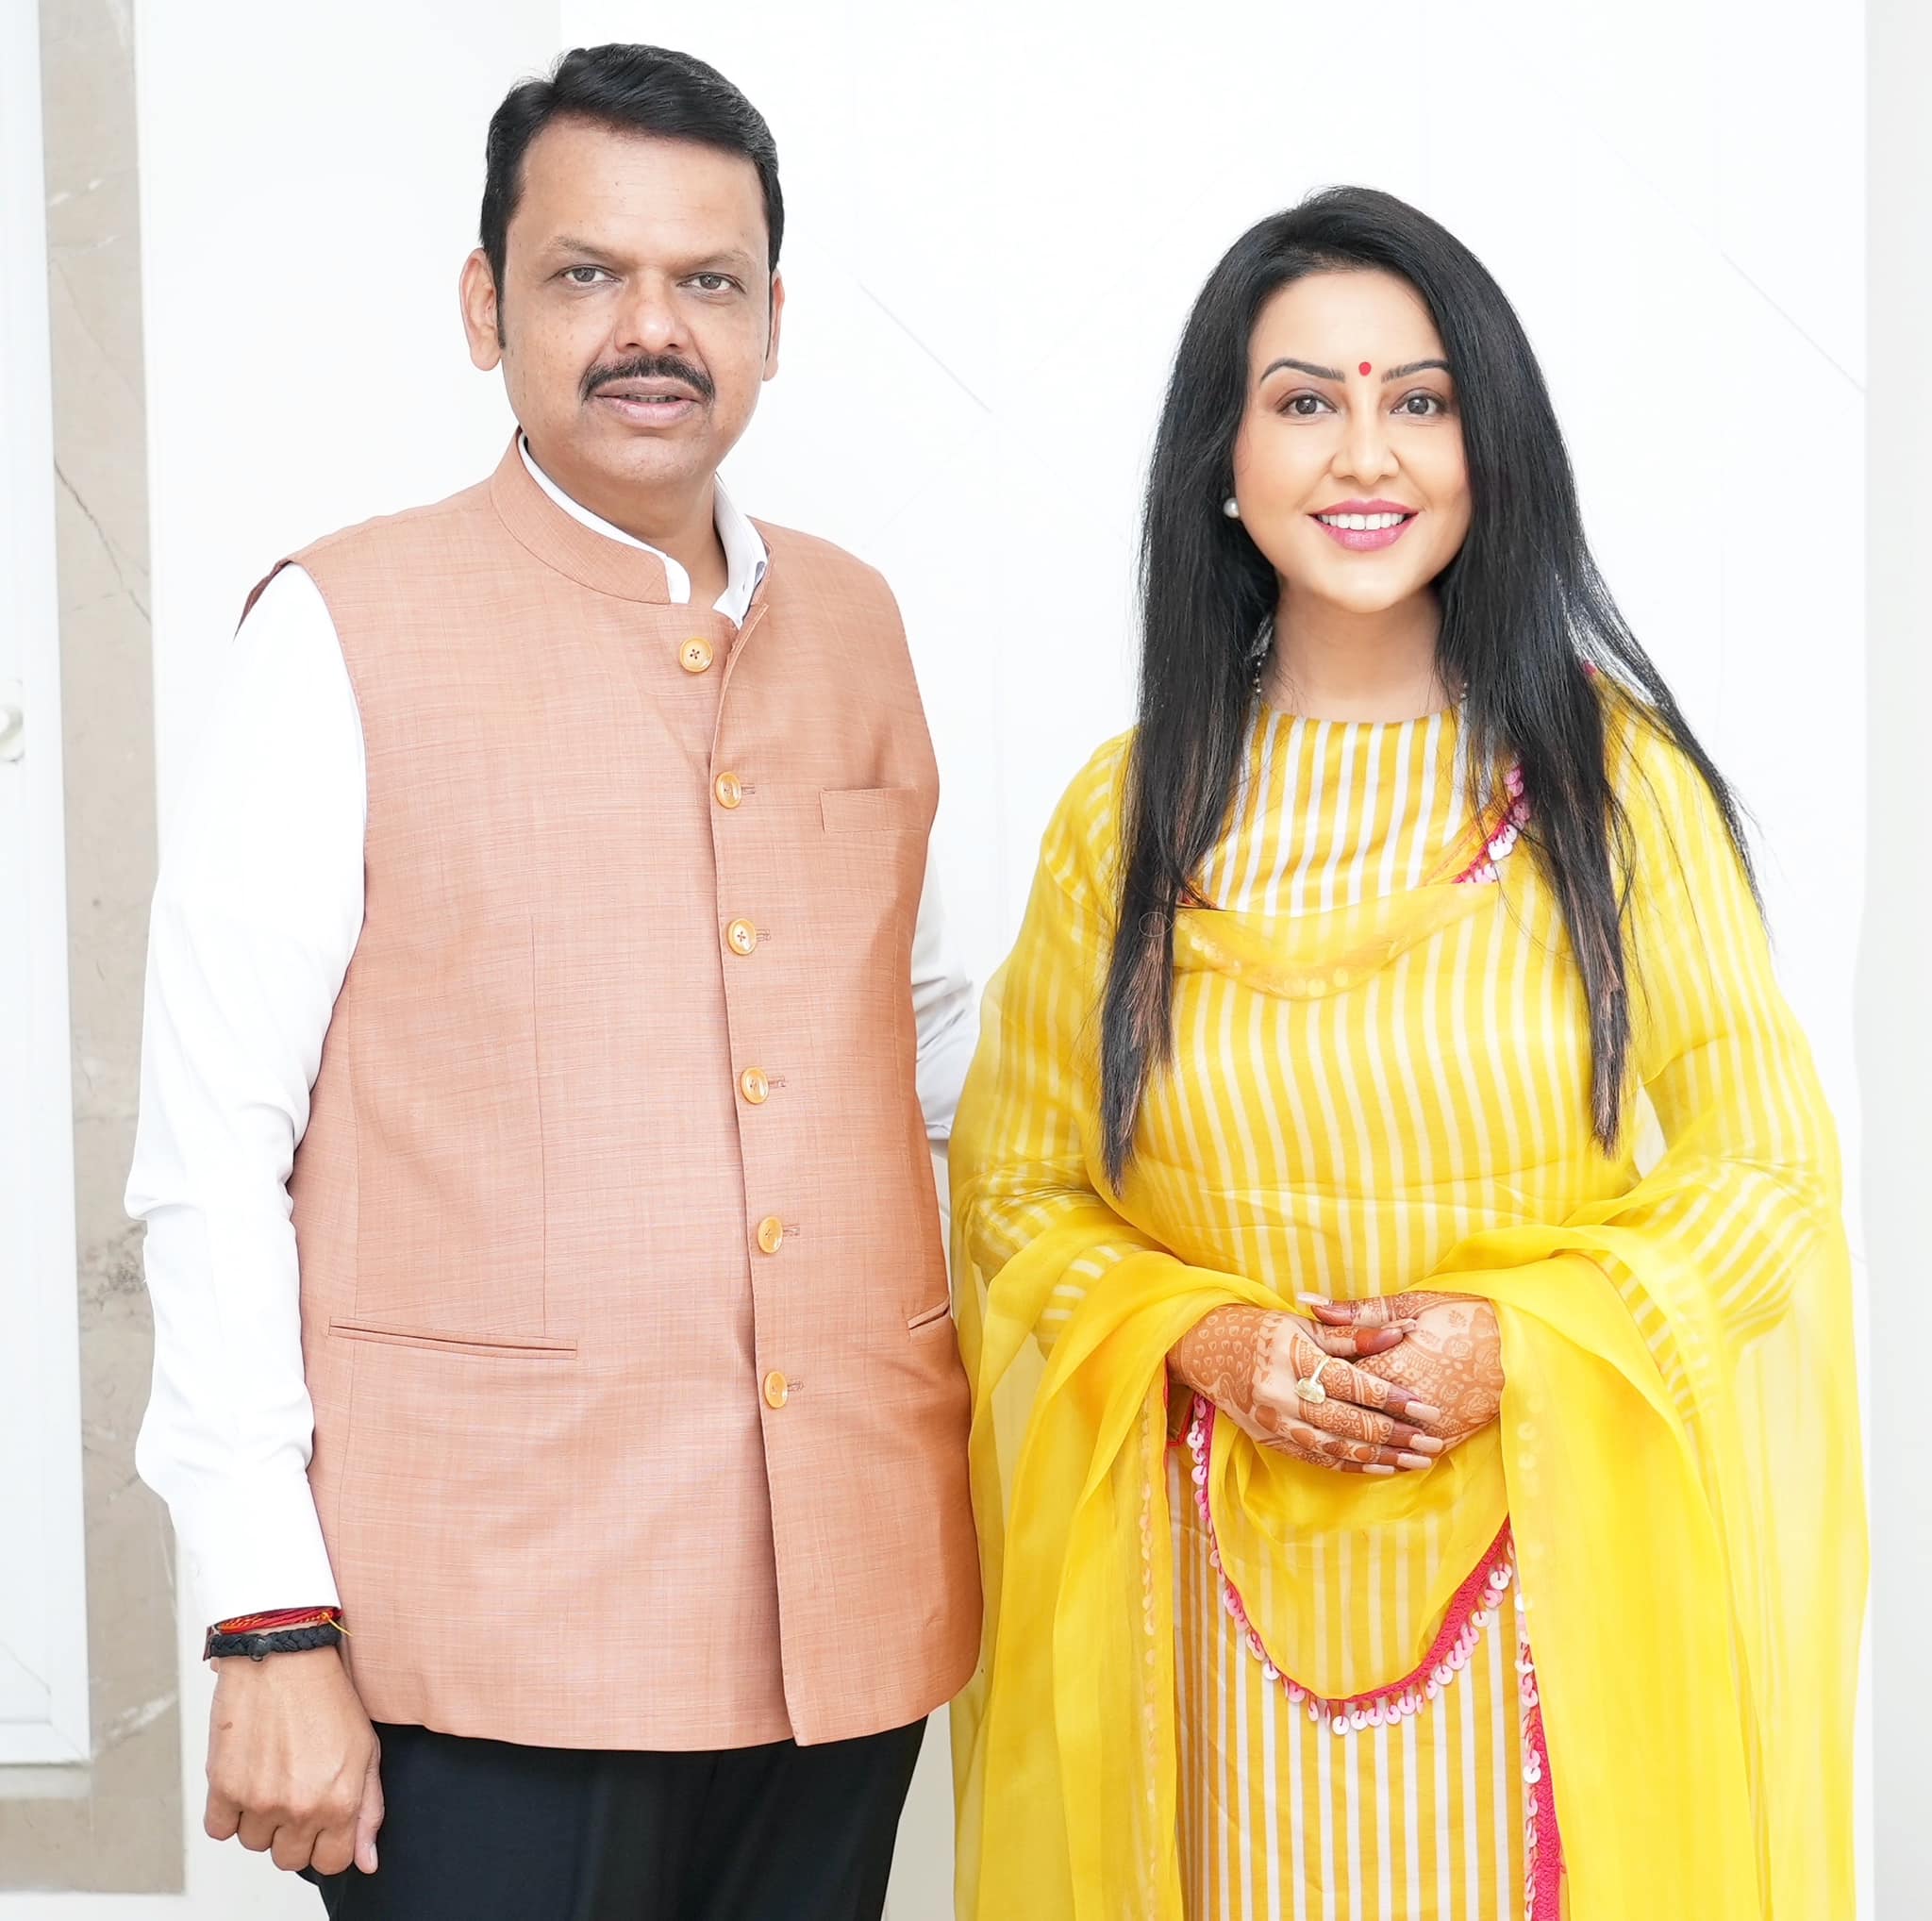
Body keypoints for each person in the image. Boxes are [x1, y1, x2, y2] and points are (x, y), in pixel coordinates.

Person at [125, 43, 980, 1921]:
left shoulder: (856, 621)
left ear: (772, 318)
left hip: (842, 1602)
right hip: (483, 1624)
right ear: (482, 304)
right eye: (587, 275)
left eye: (707, 281)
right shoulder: (341, 628)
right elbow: (209, 1150)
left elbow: (927, 1060)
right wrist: (266, 1618)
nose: (649, 331)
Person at [947, 186, 1863, 1920]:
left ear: (1487, 449)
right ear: (1222, 455)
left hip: (1553, 1603)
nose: (1364, 452)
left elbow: (1769, 1168)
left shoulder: (1611, 791)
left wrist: (1517, 1344)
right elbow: (1012, 1191)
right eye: (1303, 399)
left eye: (1418, 400)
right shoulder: (1128, 817)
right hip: (1205, 1620)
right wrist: (1204, 1336)